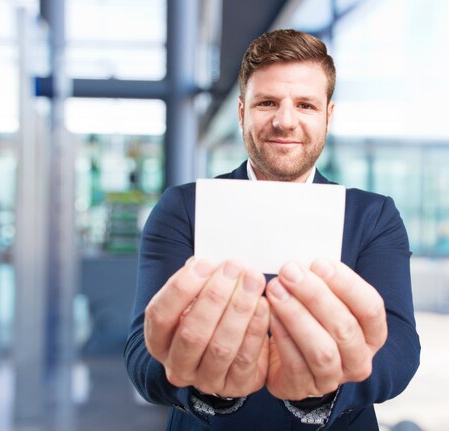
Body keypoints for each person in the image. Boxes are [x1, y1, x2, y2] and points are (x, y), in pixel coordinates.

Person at [124, 29, 420, 430]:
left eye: (305, 105)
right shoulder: (183, 208)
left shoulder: (372, 216)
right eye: (267, 102)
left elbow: (400, 348)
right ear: (242, 111)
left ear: (328, 116)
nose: (285, 120)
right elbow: (143, 351)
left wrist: (320, 387)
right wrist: (212, 387)